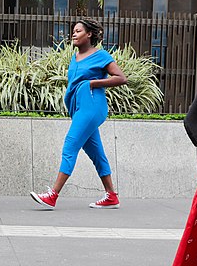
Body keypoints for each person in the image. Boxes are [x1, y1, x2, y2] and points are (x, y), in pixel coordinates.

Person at [30, 18, 127, 210]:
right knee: (96, 152)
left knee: (70, 144)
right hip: (78, 108)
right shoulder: (75, 57)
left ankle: (53, 195)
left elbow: (121, 78)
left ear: (89, 34)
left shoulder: (101, 55)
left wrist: (93, 83)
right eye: (73, 31)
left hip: (92, 106)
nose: (73, 34)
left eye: (78, 31)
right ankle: (111, 196)